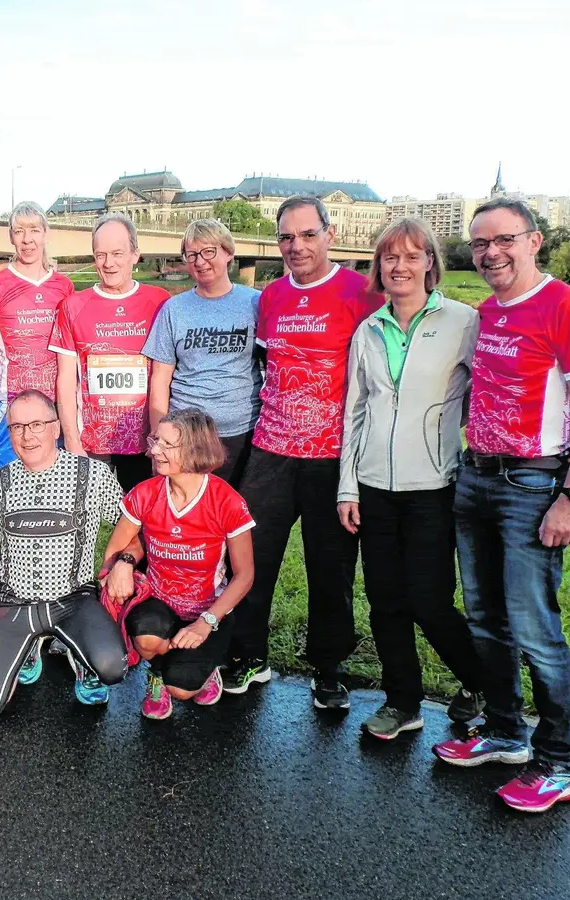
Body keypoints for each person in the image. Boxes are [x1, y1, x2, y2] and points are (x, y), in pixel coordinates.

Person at [432, 199, 570, 814]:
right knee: (485, 618)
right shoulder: (486, 310)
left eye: (503, 239)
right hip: (476, 477)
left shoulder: (566, 306)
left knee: (535, 629)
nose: (490, 253)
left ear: (534, 241)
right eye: (479, 244)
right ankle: (506, 733)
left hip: (533, 484)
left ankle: (558, 762)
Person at [335, 217, 488, 740]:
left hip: (434, 487)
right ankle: (403, 701)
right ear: (379, 267)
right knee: (384, 601)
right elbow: (355, 412)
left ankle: (479, 681)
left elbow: (486, 397)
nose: (399, 266)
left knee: (429, 600)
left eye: (411, 255)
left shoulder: (464, 322)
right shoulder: (369, 330)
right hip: (374, 487)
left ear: (430, 263)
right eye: (389, 257)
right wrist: (348, 486)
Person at [232, 196, 383, 702]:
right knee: (252, 557)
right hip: (270, 449)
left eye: (307, 234)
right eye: (286, 237)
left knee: (330, 564)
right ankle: (249, 655)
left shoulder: (362, 292)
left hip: (332, 456)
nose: (296, 246)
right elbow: (261, 367)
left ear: (329, 232)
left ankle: (328, 666)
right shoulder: (270, 296)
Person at [0, 391, 131, 721]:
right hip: (15, 602)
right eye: (18, 427)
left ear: (56, 428)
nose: (28, 435)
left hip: (74, 599)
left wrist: (125, 561)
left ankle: (84, 661)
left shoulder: (92, 474)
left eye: (37, 424)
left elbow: (131, 526)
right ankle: (26, 651)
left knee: (112, 668)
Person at [102, 409, 255, 719]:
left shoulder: (226, 501)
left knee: (183, 688)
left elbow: (245, 575)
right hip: (158, 601)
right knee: (146, 638)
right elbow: (116, 549)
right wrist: (121, 565)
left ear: (195, 451)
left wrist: (206, 623)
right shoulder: (145, 493)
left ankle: (197, 669)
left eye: (166, 445)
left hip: (208, 609)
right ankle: (156, 673)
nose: (154, 450)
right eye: (155, 440)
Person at [50, 213, 172, 492]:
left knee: (144, 526)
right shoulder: (72, 306)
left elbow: (167, 376)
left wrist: (163, 440)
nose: (108, 263)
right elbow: (66, 380)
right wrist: (71, 441)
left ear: (135, 254)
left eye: (117, 253)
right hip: (92, 444)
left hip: (146, 442)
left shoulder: (160, 302)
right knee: (84, 527)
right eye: (100, 255)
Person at [142, 219, 262, 488]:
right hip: (185, 436)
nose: (200, 261)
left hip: (242, 432)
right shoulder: (174, 310)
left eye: (209, 252)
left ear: (228, 253)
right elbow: (160, 379)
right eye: (192, 255)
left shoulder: (255, 303)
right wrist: (158, 439)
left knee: (234, 518)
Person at [0, 202, 75, 459]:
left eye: (34, 231)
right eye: (19, 232)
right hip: (13, 405)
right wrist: (2, 410)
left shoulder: (65, 287)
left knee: (57, 490)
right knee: (12, 487)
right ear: (11, 237)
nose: (27, 240)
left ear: (45, 234)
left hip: (56, 407)